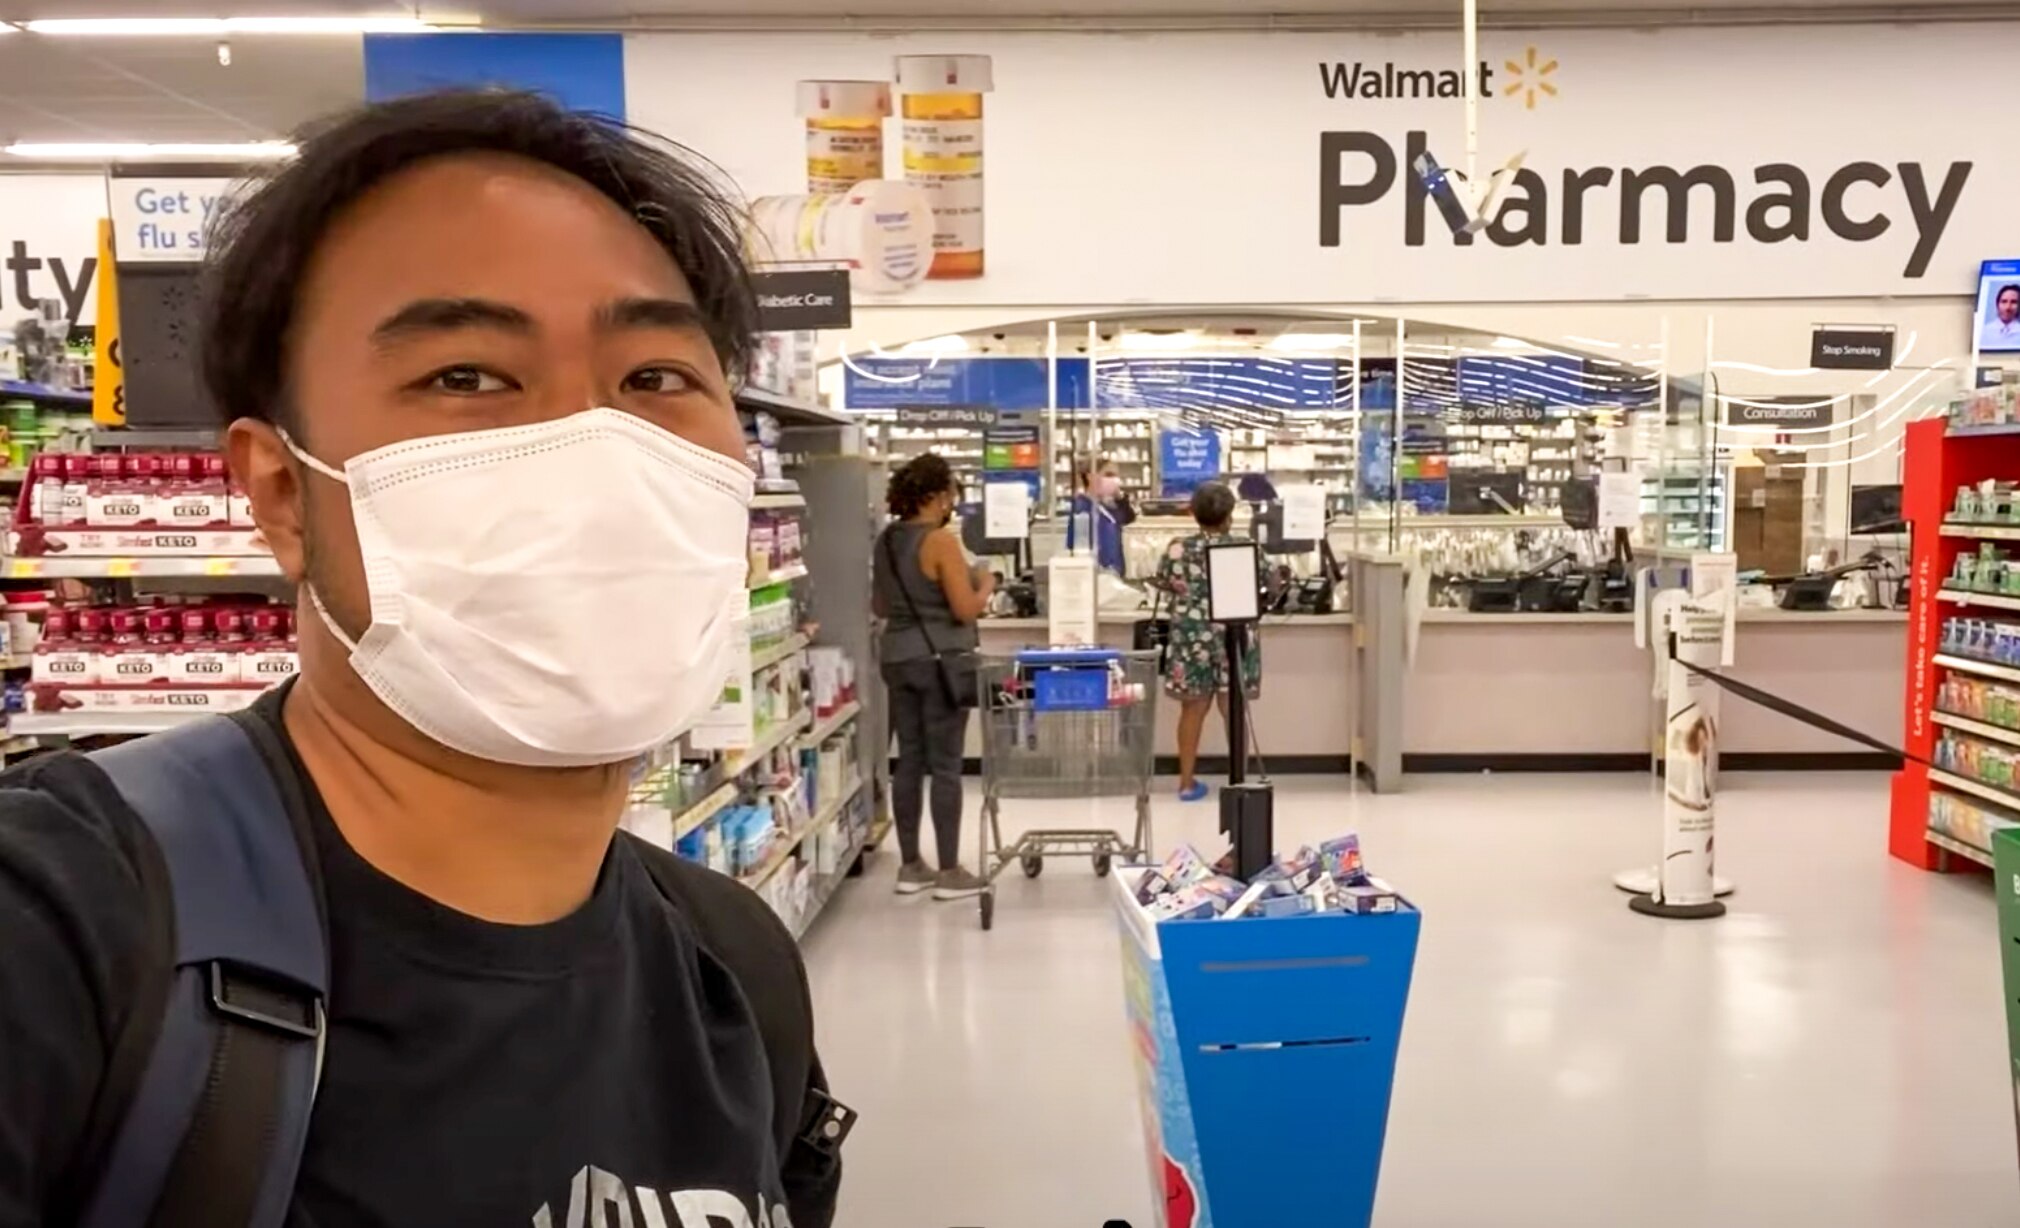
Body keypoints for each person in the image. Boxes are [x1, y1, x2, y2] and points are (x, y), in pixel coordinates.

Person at [0, 91, 840, 1227]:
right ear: (283, 493)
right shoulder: (59, 933)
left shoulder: (734, 966)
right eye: (468, 376)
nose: (596, 451)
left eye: (655, 378)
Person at [873, 454, 993, 900]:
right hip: (940, 662)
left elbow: (880, 607)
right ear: (939, 496)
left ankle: (910, 867)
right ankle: (948, 871)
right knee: (945, 766)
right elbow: (964, 608)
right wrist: (987, 584)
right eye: (951, 496)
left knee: (908, 760)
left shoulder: (886, 540)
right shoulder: (940, 540)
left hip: (897, 659)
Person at [1151, 481, 1262, 802]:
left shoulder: (1177, 549)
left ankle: (1186, 783)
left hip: (1190, 638)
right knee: (1233, 709)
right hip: (1233, 634)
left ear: (1194, 514)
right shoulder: (1244, 547)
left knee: (1192, 709)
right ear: (1228, 516)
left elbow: (1165, 582)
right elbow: (1268, 580)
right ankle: (1238, 781)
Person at [1068, 455, 1128, 574]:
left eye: (1116, 476)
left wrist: (1120, 499)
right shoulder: (1082, 509)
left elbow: (1128, 518)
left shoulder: (1107, 507)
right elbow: (1078, 548)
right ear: (1090, 477)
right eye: (1109, 475)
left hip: (1113, 575)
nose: (1114, 480)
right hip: (1096, 576)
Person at [1983, 283, 2020, 350]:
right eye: (2004, 301)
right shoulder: (1984, 331)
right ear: (1997, 304)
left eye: (2014, 302)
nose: (2008, 307)